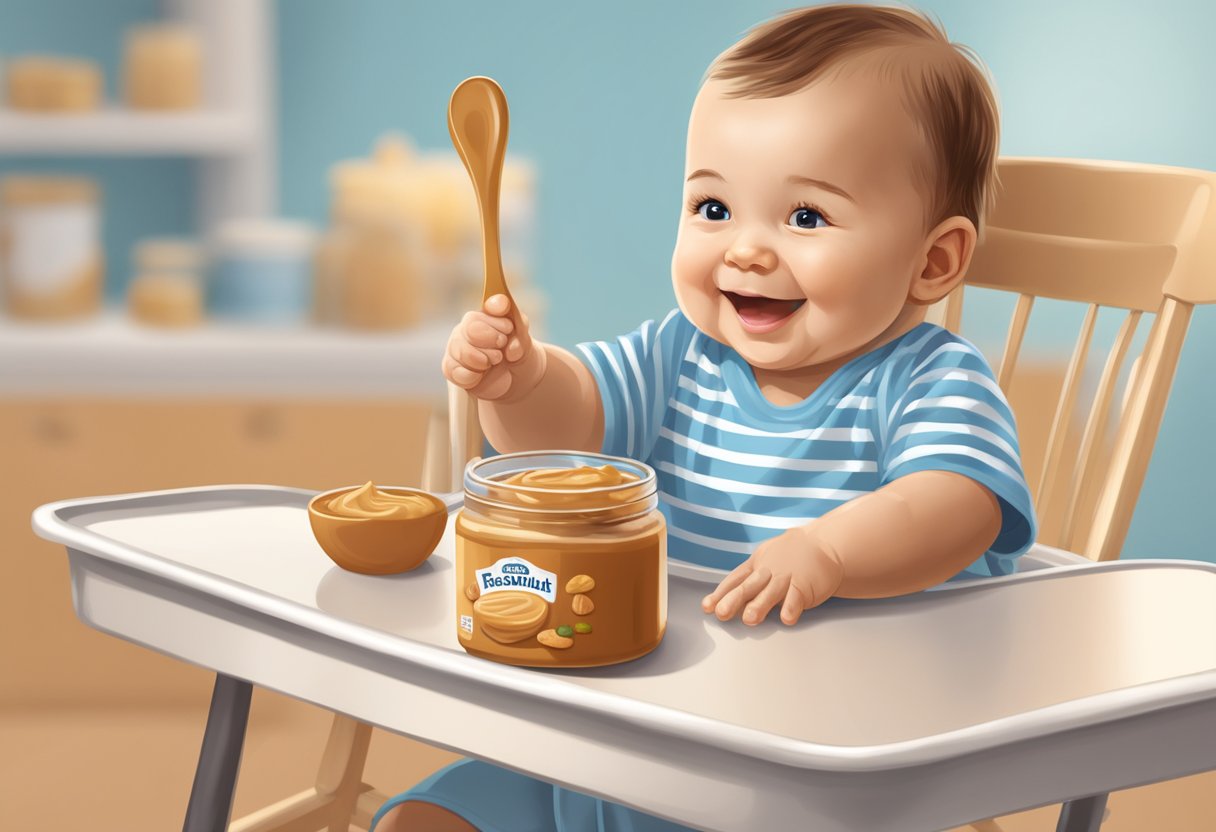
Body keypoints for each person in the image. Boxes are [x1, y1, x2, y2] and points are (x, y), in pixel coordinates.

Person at [375, 4, 1036, 830]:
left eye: (806, 218)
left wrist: (831, 550)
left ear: (933, 261)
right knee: (435, 816)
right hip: (634, 725)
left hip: (816, 773)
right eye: (713, 208)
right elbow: (570, 433)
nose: (745, 250)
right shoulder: (683, 351)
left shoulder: (929, 381)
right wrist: (521, 382)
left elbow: (958, 505)